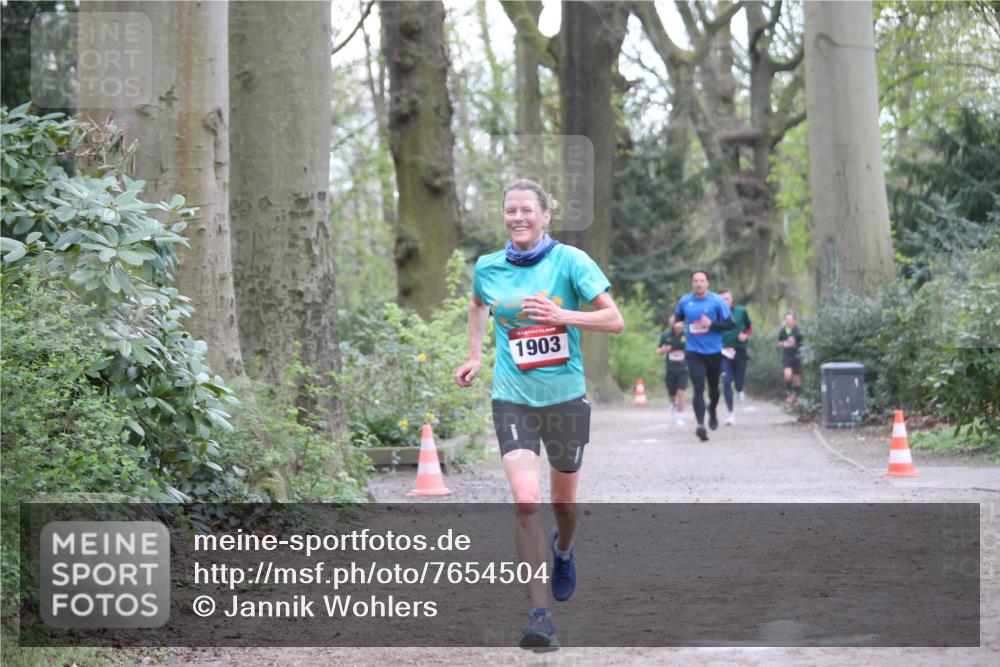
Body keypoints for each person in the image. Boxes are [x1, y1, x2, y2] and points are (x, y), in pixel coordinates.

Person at [455, 179, 624, 652]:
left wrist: (563, 317)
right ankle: (539, 613)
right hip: (513, 398)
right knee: (527, 501)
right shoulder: (489, 267)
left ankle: (564, 549)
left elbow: (614, 320)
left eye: (527, 210)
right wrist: (474, 354)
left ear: (545, 215)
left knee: (563, 506)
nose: (518, 218)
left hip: (566, 399)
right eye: (510, 210)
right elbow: (477, 304)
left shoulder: (570, 261)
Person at [672, 271, 734, 442]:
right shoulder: (685, 301)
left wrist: (712, 324)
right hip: (694, 352)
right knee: (698, 387)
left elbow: (729, 324)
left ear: (707, 283)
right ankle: (700, 425)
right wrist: (677, 325)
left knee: (714, 390)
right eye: (695, 281)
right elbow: (678, 318)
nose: (698, 283)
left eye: (702, 280)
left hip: (713, 352)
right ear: (692, 283)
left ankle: (712, 411)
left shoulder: (717, 301)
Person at [718, 289, 752, 425]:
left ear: (731, 299)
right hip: (722, 352)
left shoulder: (741, 311)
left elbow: (749, 327)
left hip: (739, 350)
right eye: (722, 299)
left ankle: (740, 389)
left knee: (739, 378)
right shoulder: (715, 314)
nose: (724, 301)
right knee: (726, 381)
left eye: (727, 298)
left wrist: (745, 335)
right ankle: (731, 413)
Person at [657, 316, 688, 426]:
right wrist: (663, 350)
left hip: (683, 368)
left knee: (681, 393)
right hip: (670, 369)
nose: (674, 324)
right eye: (671, 323)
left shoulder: (686, 335)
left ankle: (680, 416)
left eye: (676, 322)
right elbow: (658, 350)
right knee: (672, 395)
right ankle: (673, 403)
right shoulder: (666, 335)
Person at [778, 312, 803, 404]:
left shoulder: (798, 330)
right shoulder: (783, 330)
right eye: (787, 320)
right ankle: (789, 394)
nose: (788, 321)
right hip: (787, 356)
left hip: (797, 357)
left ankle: (798, 398)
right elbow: (779, 342)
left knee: (797, 380)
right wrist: (783, 343)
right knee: (787, 375)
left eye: (790, 319)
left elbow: (801, 341)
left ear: (794, 320)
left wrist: (794, 340)